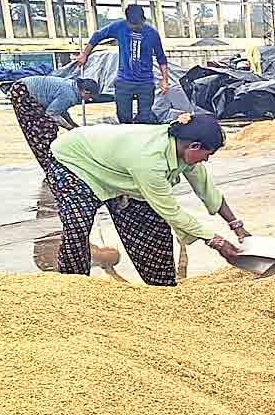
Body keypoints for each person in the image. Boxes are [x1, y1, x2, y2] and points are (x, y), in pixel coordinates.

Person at [42, 112, 248, 286]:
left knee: (151, 230)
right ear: (194, 146)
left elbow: (207, 190)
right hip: (75, 162)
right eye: (207, 154)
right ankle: (73, 287)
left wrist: (236, 226)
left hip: (119, 168)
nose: (206, 159)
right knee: (77, 227)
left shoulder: (184, 152)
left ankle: (163, 288)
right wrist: (216, 241)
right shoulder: (149, 161)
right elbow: (171, 211)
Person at [75, 4, 170, 124]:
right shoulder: (119, 27)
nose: (136, 27)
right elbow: (97, 35)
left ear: (143, 20)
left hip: (145, 82)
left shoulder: (152, 33)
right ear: (127, 21)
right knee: (124, 117)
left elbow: (161, 57)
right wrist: (85, 54)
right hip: (124, 81)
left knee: (146, 118)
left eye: (138, 24)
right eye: (133, 25)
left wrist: (165, 79)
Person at [8, 74, 100, 178]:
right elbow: (52, 113)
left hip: (23, 87)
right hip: (22, 91)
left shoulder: (71, 88)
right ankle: (50, 166)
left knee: (46, 128)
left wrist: (74, 125)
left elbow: (62, 110)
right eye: (90, 97)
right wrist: (69, 128)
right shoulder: (69, 94)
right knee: (43, 130)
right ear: (85, 92)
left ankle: (50, 165)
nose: (89, 99)